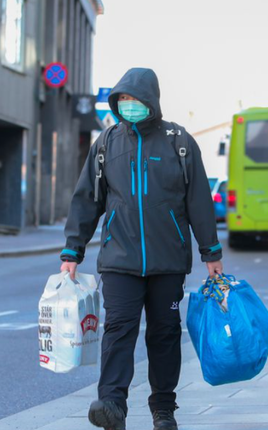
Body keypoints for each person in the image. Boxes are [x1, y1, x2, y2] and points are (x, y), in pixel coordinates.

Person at [59, 68, 223, 430]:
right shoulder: (106, 144)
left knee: (164, 332)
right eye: (123, 101)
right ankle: (112, 404)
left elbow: (198, 201)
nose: (129, 106)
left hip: (168, 261)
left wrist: (210, 253)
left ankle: (163, 408)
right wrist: (72, 252)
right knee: (117, 328)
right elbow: (87, 200)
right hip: (119, 260)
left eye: (135, 100)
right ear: (117, 104)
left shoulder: (178, 142)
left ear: (151, 101)